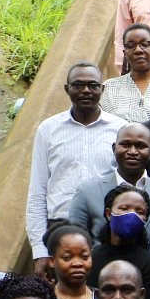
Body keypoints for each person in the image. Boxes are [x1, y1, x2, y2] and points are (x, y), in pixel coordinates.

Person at [26, 63, 126, 272]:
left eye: (93, 85)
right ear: (67, 89)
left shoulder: (120, 129)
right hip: (59, 227)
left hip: (104, 228)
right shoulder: (48, 130)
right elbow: (38, 192)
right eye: (78, 85)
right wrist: (39, 251)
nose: (86, 91)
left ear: (102, 89)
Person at [66, 123, 150, 243]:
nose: (132, 151)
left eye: (140, 146)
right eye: (125, 145)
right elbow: (75, 240)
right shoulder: (87, 192)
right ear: (114, 148)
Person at [88, 185, 150, 299]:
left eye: (139, 211)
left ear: (145, 219)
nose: (132, 215)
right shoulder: (92, 258)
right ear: (109, 214)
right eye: (124, 209)